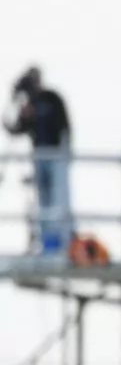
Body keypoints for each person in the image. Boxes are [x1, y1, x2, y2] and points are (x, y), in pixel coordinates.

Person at [2, 66, 72, 254]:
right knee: (43, 202)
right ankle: (48, 245)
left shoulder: (51, 98)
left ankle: (63, 243)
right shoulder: (30, 106)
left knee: (59, 199)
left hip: (56, 154)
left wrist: (66, 153)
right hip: (39, 155)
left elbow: (64, 126)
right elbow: (17, 128)